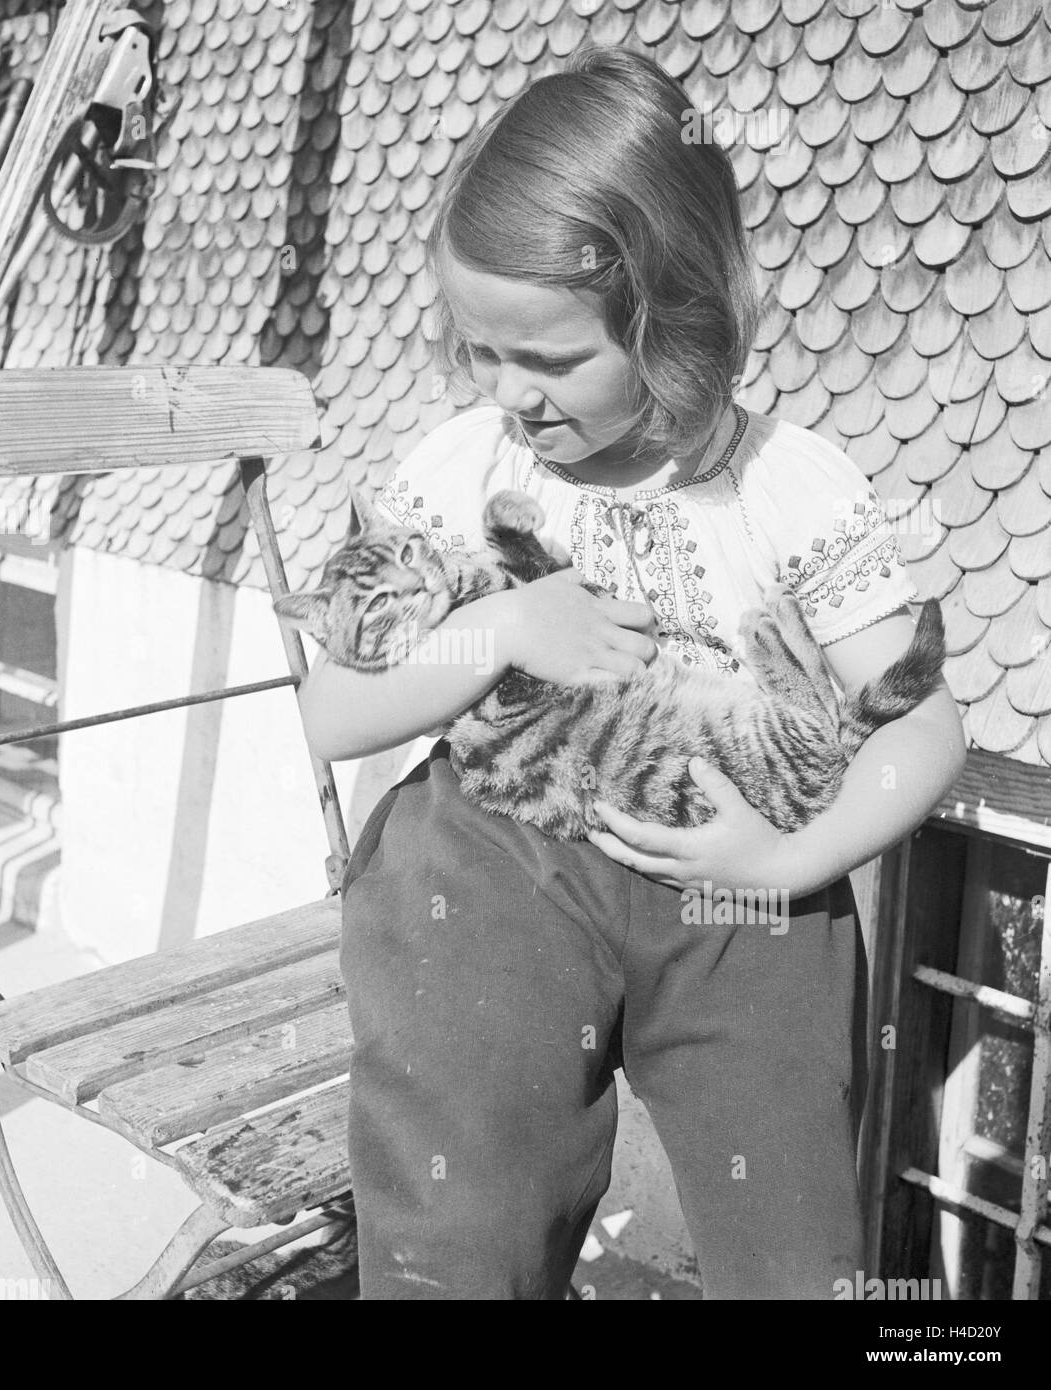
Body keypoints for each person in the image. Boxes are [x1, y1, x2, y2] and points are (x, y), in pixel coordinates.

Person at [297, 43, 967, 1299]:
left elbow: (922, 728)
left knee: (797, 1246)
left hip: (733, 873)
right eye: (480, 350)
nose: (509, 393)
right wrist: (490, 633)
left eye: (548, 361)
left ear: (672, 320)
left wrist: (782, 865)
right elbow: (334, 714)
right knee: (457, 1220)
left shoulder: (782, 483)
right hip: (496, 861)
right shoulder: (458, 468)